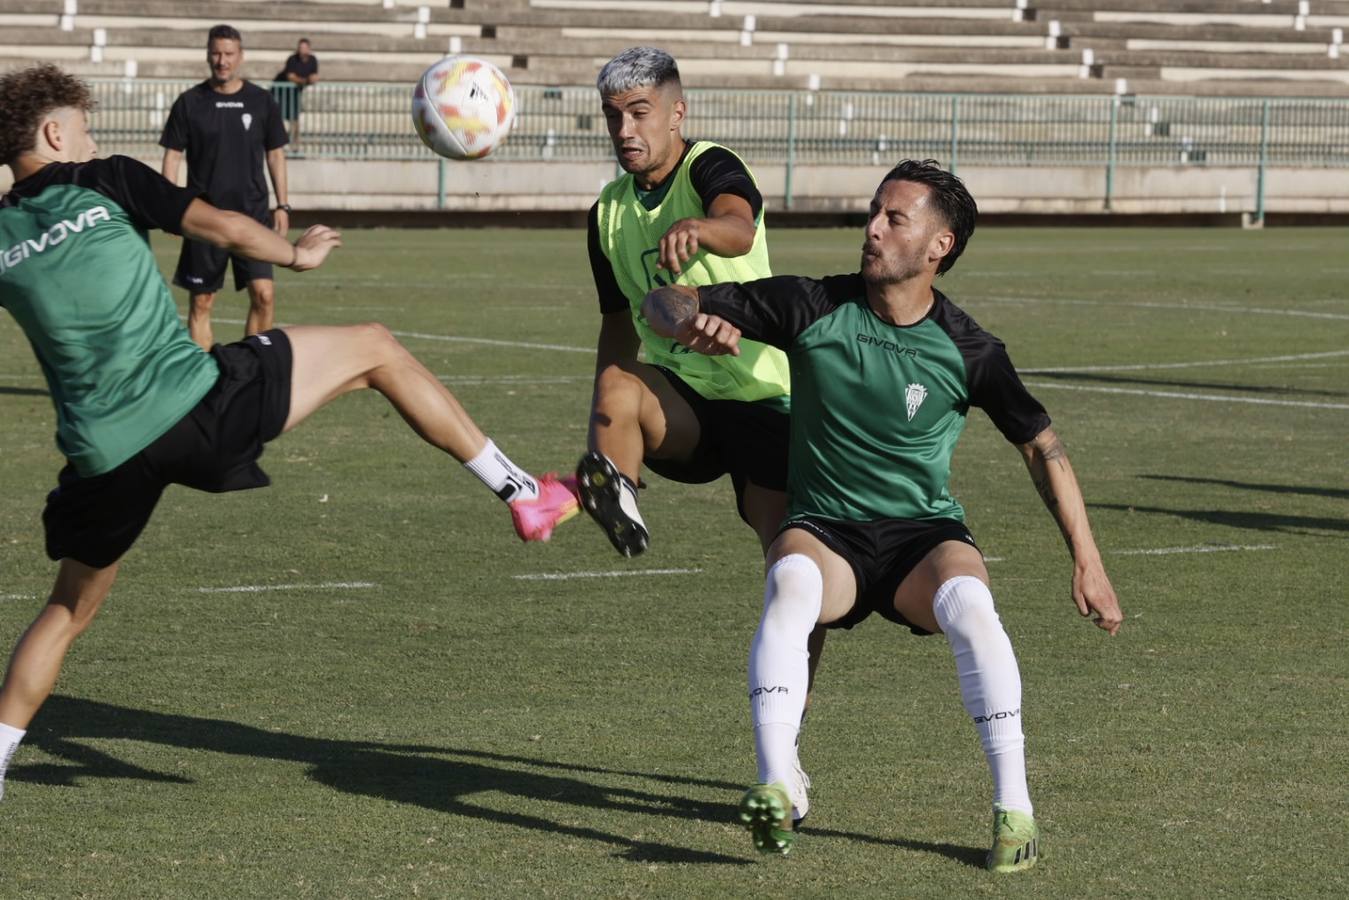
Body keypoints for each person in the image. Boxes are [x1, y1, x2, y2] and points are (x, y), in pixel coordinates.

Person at [0, 64, 578, 802]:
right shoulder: (105, 177)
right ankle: (523, 492)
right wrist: (295, 254)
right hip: (199, 410)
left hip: (103, 459)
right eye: (81, 126)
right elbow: (221, 224)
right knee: (374, 346)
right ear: (54, 134)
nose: (92, 137)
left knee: (66, 611)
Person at [641, 159, 1124, 870]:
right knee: (790, 582)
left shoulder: (971, 349)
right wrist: (689, 324)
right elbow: (663, 302)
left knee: (970, 605)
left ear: (939, 246)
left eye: (894, 218)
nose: (871, 228)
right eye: (874, 212)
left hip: (920, 540)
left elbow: (1041, 446)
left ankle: (1013, 810)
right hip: (827, 531)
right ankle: (777, 783)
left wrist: (1088, 561)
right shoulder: (811, 305)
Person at [576, 46, 790, 562]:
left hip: (765, 394)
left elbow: (739, 230)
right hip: (685, 403)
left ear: (677, 113)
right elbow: (617, 327)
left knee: (791, 562)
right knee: (616, 382)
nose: (624, 130)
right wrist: (606, 441)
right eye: (612, 115)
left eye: (639, 112)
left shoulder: (710, 165)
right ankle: (617, 491)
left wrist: (701, 226)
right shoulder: (606, 213)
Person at [161, 24, 290, 351]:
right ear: (207, 55)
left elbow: (275, 154)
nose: (222, 61)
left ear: (240, 56)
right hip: (204, 216)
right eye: (216, 53)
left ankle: (249, 375)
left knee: (264, 295)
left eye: (229, 54)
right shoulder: (190, 102)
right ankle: (204, 388)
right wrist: (166, 205)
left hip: (254, 215)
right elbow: (172, 157)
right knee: (202, 302)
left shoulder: (262, 101)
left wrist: (283, 205)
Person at [272, 38, 319, 148]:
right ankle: (279, 143)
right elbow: (290, 76)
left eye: (304, 47)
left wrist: (305, 80)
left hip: (295, 93)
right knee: (279, 118)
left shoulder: (312, 60)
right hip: (281, 93)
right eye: (300, 47)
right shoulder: (292, 59)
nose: (302, 50)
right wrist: (304, 81)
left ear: (309, 49)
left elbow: (314, 77)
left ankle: (295, 145)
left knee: (295, 118)